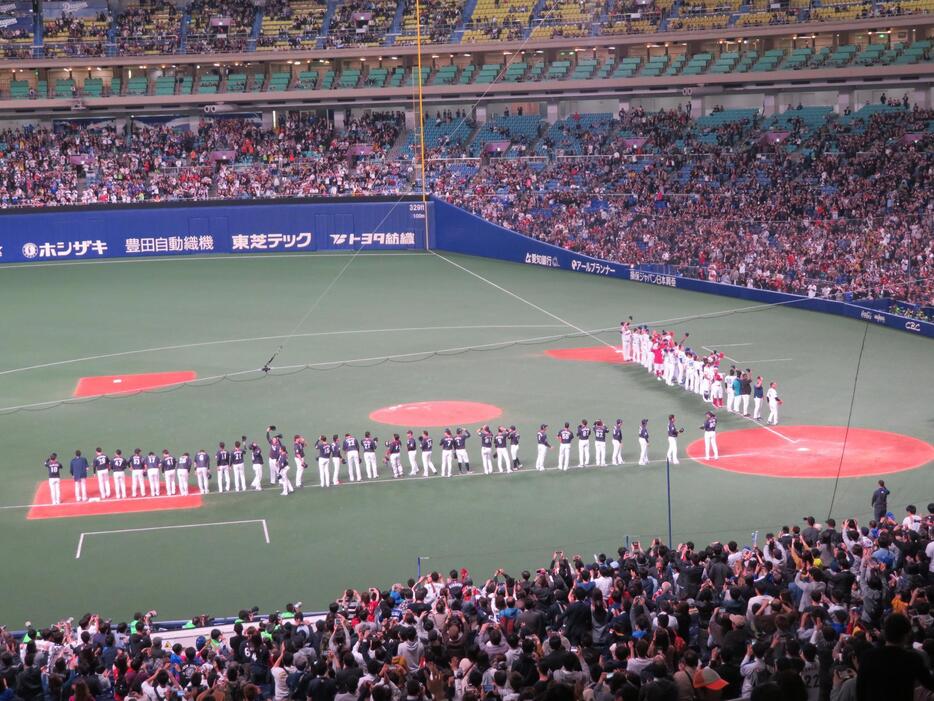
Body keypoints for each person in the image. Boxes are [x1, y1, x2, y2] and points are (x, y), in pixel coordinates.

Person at [856, 613, 934, 700]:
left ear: (884, 633)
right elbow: (929, 683)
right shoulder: (913, 659)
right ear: (907, 635)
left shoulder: (868, 656)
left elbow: (860, 690)